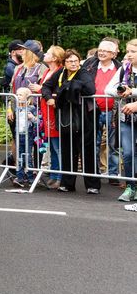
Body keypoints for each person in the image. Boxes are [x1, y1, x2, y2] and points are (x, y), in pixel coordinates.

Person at [42, 49, 99, 194]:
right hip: (66, 118)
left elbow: (90, 89)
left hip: (84, 118)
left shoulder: (84, 72)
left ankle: (92, 185)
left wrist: (70, 86)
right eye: (69, 61)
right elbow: (46, 86)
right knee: (67, 150)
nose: (73, 64)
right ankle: (67, 184)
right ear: (65, 63)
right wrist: (49, 97)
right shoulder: (60, 73)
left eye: (75, 61)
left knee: (87, 151)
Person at [82, 39, 121, 183]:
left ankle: (113, 174)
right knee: (94, 143)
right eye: (100, 50)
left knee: (113, 143)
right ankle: (95, 173)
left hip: (113, 111)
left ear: (113, 54)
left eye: (105, 51)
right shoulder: (89, 65)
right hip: (93, 109)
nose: (101, 53)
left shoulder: (120, 68)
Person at [106, 39, 137, 203]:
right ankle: (131, 186)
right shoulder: (123, 69)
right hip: (127, 118)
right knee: (128, 153)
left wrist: (134, 92)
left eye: (133, 51)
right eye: (128, 51)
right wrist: (121, 92)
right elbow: (108, 89)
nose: (129, 55)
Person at [29, 46, 65, 189]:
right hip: (46, 111)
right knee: (51, 146)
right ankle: (55, 174)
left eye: (48, 53)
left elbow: (55, 90)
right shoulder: (49, 71)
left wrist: (40, 89)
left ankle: (60, 176)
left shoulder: (59, 71)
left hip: (54, 111)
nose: (45, 54)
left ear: (55, 58)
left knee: (57, 147)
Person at [12, 87, 37, 187]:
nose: (17, 96)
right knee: (19, 157)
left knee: (28, 156)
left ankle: (30, 177)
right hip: (18, 134)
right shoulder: (17, 108)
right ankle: (20, 177)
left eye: (20, 95)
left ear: (28, 98)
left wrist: (32, 118)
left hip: (28, 135)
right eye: (17, 94)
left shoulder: (32, 108)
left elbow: (37, 121)